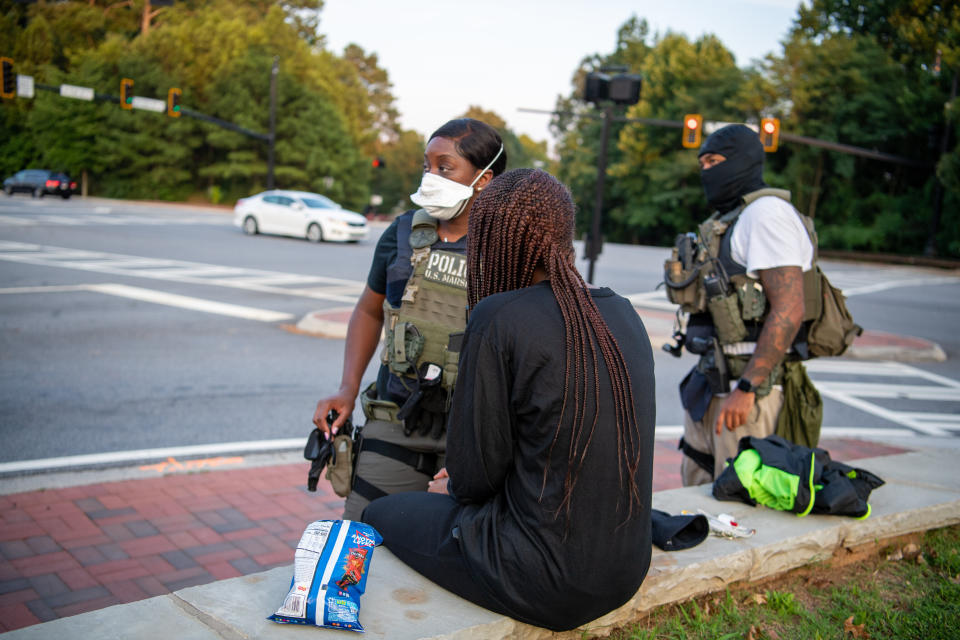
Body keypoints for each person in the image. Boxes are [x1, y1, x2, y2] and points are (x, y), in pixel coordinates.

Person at [362, 169, 656, 632]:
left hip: (538, 578)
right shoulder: (620, 310)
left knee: (380, 512)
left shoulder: (499, 316)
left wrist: (458, 474)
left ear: (494, 239)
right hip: (625, 570)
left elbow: (474, 481)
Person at [312, 118, 506, 519]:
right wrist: (347, 389)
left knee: (463, 551)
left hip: (473, 429)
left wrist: (492, 448)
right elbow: (368, 310)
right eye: (427, 165)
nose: (431, 175)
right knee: (363, 536)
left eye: (445, 166)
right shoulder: (401, 233)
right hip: (397, 416)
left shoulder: (508, 247)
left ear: (484, 178)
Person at [669, 124, 816, 486]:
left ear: (742, 162)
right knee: (698, 492)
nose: (706, 171)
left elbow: (789, 309)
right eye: (702, 162)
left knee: (737, 502)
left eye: (714, 161)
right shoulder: (730, 217)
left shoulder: (767, 214)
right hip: (712, 381)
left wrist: (748, 389)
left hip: (746, 392)